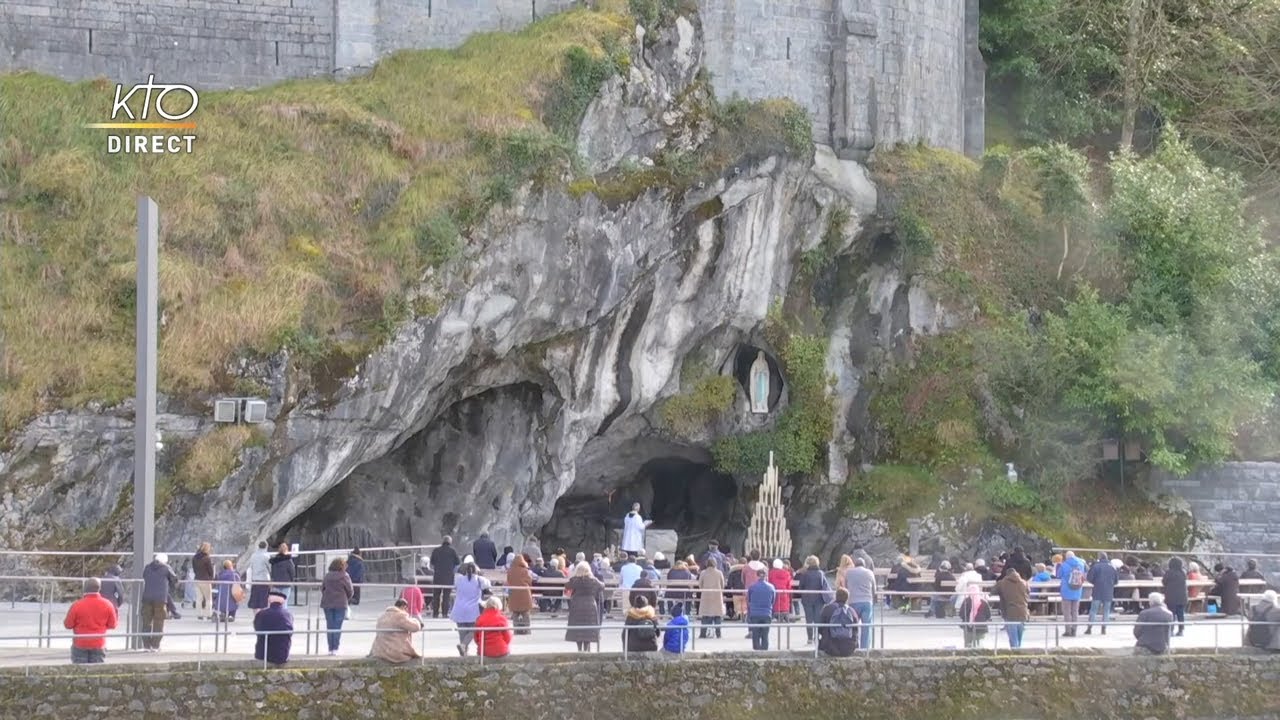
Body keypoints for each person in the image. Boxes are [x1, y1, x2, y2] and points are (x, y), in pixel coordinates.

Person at [64, 578, 117, 664]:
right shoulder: (108, 604)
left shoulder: (77, 605)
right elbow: (113, 625)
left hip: (80, 643)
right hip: (98, 642)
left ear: (85, 589)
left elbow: (68, 625)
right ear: (99, 589)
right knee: (96, 672)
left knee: (79, 671)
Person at [450, 560, 489, 656]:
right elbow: (487, 585)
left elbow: (455, 584)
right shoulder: (479, 580)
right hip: (472, 610)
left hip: (459, 610)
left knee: (462, 633)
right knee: (474, 629)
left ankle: (463, 654)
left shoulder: (459, 579)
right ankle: (463, 645)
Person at [564, 561, 605, 651]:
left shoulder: (575, 580)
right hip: (590, 605)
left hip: (576, 605)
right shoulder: (593, 580)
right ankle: (586, 649)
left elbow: (567, 586)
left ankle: (579, 649)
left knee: (577, 628)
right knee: (588, 629)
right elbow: (602, 586)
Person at [140, 553, 176, 651]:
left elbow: (144, 576)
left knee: (146, 622)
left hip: (146, 598)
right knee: (159, 622)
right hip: (160, 599)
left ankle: (146, 646)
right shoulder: (166, 568)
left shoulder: (147, 567)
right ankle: (155, 646)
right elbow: (174, 579)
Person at [370, 598, 423, 663]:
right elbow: (415, 627)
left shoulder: (382, 616)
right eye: (406, 609)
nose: (407, 611)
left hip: (379, 651)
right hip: (394, 652)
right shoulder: (400, 616)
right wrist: (415, 620)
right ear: (404, 607)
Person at [320, 557, 354, 655]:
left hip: (327, 603)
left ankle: (330, 648)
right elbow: (350, 591)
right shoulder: (344, 576)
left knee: (330, 626)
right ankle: (336, 648)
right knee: (337, 626)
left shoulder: (327, 576)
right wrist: (346, 598)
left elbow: (322, 588)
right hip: (340, 603)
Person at [795, 555, 830, 644]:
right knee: (818, 619)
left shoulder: (805, 574)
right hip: (819, 599)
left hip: (807, 599)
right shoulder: (821, 573)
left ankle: (810, 638)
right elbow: (824, 586)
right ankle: (817, 637)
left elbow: (800, 587)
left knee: (809, 619)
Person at [254, 590, 294, 667]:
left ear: (269, 600)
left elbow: (257, 629)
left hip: (263, 655)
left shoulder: (261, 614)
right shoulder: (288, 615)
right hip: (282, 655)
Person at [845, 556, 876, 650]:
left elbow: (846, 586)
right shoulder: (869, 572)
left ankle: (854, 645)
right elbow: (874, 588)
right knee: (866, 626)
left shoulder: (849, 573)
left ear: (855, 564)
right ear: (864, 565)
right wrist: (873, 599)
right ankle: (865, 648)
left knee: (854, 625)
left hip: (853, 602)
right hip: (867, 602)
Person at [818, 587, 859, 657]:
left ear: (836, 597)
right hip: (849, 648)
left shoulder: (827, 609)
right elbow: (856, 630)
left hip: (830, 647)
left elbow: (820, 628)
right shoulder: (852, 611)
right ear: (847, 598)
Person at [995, 566, 1030, 648]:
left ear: (1007, 575)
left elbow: (993, 591)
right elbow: (1028, 592)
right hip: (1023, 612)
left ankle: (1015, 652)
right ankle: (1019, 651)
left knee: (1013, 637)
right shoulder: (1024, 582)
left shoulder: (1002, 583)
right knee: (1019, 636)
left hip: (1009, 612)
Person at [1085, 551, 1118, 635]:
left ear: (1099, 557)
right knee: (1106, 611)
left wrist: (1095, 582)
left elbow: (1089, 578)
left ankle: (1089, 628)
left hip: (1097, 591)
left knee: (1093, 610)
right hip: (1108, 591)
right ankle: (1104, 628)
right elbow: (1116, 581)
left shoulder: (1096, 566)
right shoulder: (1112, 567)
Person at [1055, 550, 1087, 637]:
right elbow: (1084, 576)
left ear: (1066, 557)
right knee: (1075, 611)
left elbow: (1058, 575)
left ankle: (1068, 630)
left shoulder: (1064, 565)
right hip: (1077, 591)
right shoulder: (1081, 564)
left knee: (1067, 612)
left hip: (1066, 591)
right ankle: (1074, 630)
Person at [429, 536, 460, 618]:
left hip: (437, 576)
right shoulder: (452, 551)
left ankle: (435, 614)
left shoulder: (436, 550)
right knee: (446, 597)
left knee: (436, 596)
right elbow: (458, 562)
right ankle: (444, 614)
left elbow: (432, 562)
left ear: (443, 541)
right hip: (448, 577)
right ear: (450, 542)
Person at [746, 568, 776, 651]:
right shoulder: (771, 587)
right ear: (766, 575)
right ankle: (764, 651)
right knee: (765, 634)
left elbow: (749, 600)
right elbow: (773, 601)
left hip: (755, 613)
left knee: (755, 634)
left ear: (757, 575)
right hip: (766, 613)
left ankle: (756, 651)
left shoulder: (752, 587)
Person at [506, 554, 535, 635]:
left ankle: (516, 630)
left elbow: (508, 580)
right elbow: (529, 581)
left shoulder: (510, 571)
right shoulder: (525, 570)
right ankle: (527, 630)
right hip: (524, 593)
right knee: (525, 613)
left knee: (515, 613)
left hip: (513, 593)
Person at [697, 557, 726, 639]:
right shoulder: (719, 573)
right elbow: (722, 585)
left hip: (706, 596)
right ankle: (718, 634)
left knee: (705, 616)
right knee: (717, 616)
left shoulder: (703, 573)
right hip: (717, 596)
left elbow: (700, 585)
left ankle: (703, 633)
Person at [1162, 557, 1189, 636]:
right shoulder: (1183, 573)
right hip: (1182, 597)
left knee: (1171, 614)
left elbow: (1164, 582)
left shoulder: (1169, 573)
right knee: (1181, 615)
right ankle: (1181, 630)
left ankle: (1171, 630)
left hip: (1171, 597)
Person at [958, 584, 991, 649]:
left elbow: (961, 614)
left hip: (968, 627)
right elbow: (988, 615)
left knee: (968, 646)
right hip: (981, 627)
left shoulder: (966, 601)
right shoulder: (983, 601)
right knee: (980, 646)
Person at [247, 541, 272, 614]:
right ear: (266, 546)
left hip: (255, 580)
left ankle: (256, 615)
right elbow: (270, 568)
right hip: (264, 580)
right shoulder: (266, 556)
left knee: (255, 599)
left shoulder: (253, 555)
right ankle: (263, 615)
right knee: (263, 599)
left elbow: (251, 567)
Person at [192, 542, 215, 620]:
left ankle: (199, 614)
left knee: (199, 598)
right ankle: (208, 614)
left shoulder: (195, 557)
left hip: (197, 579)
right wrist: (211, 578)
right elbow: (210, 570)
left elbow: (194, 569)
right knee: (208, 598)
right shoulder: (207, 558)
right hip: (205, 580)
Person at [346, 548, 365, 612]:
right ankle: (350, 600)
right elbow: (360, 572)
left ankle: (348, 599)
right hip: (356, 581)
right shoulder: (359, 562)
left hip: (348, 579)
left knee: (349, 592)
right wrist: (360, 580)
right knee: (356, 599)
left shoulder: (348, 560)